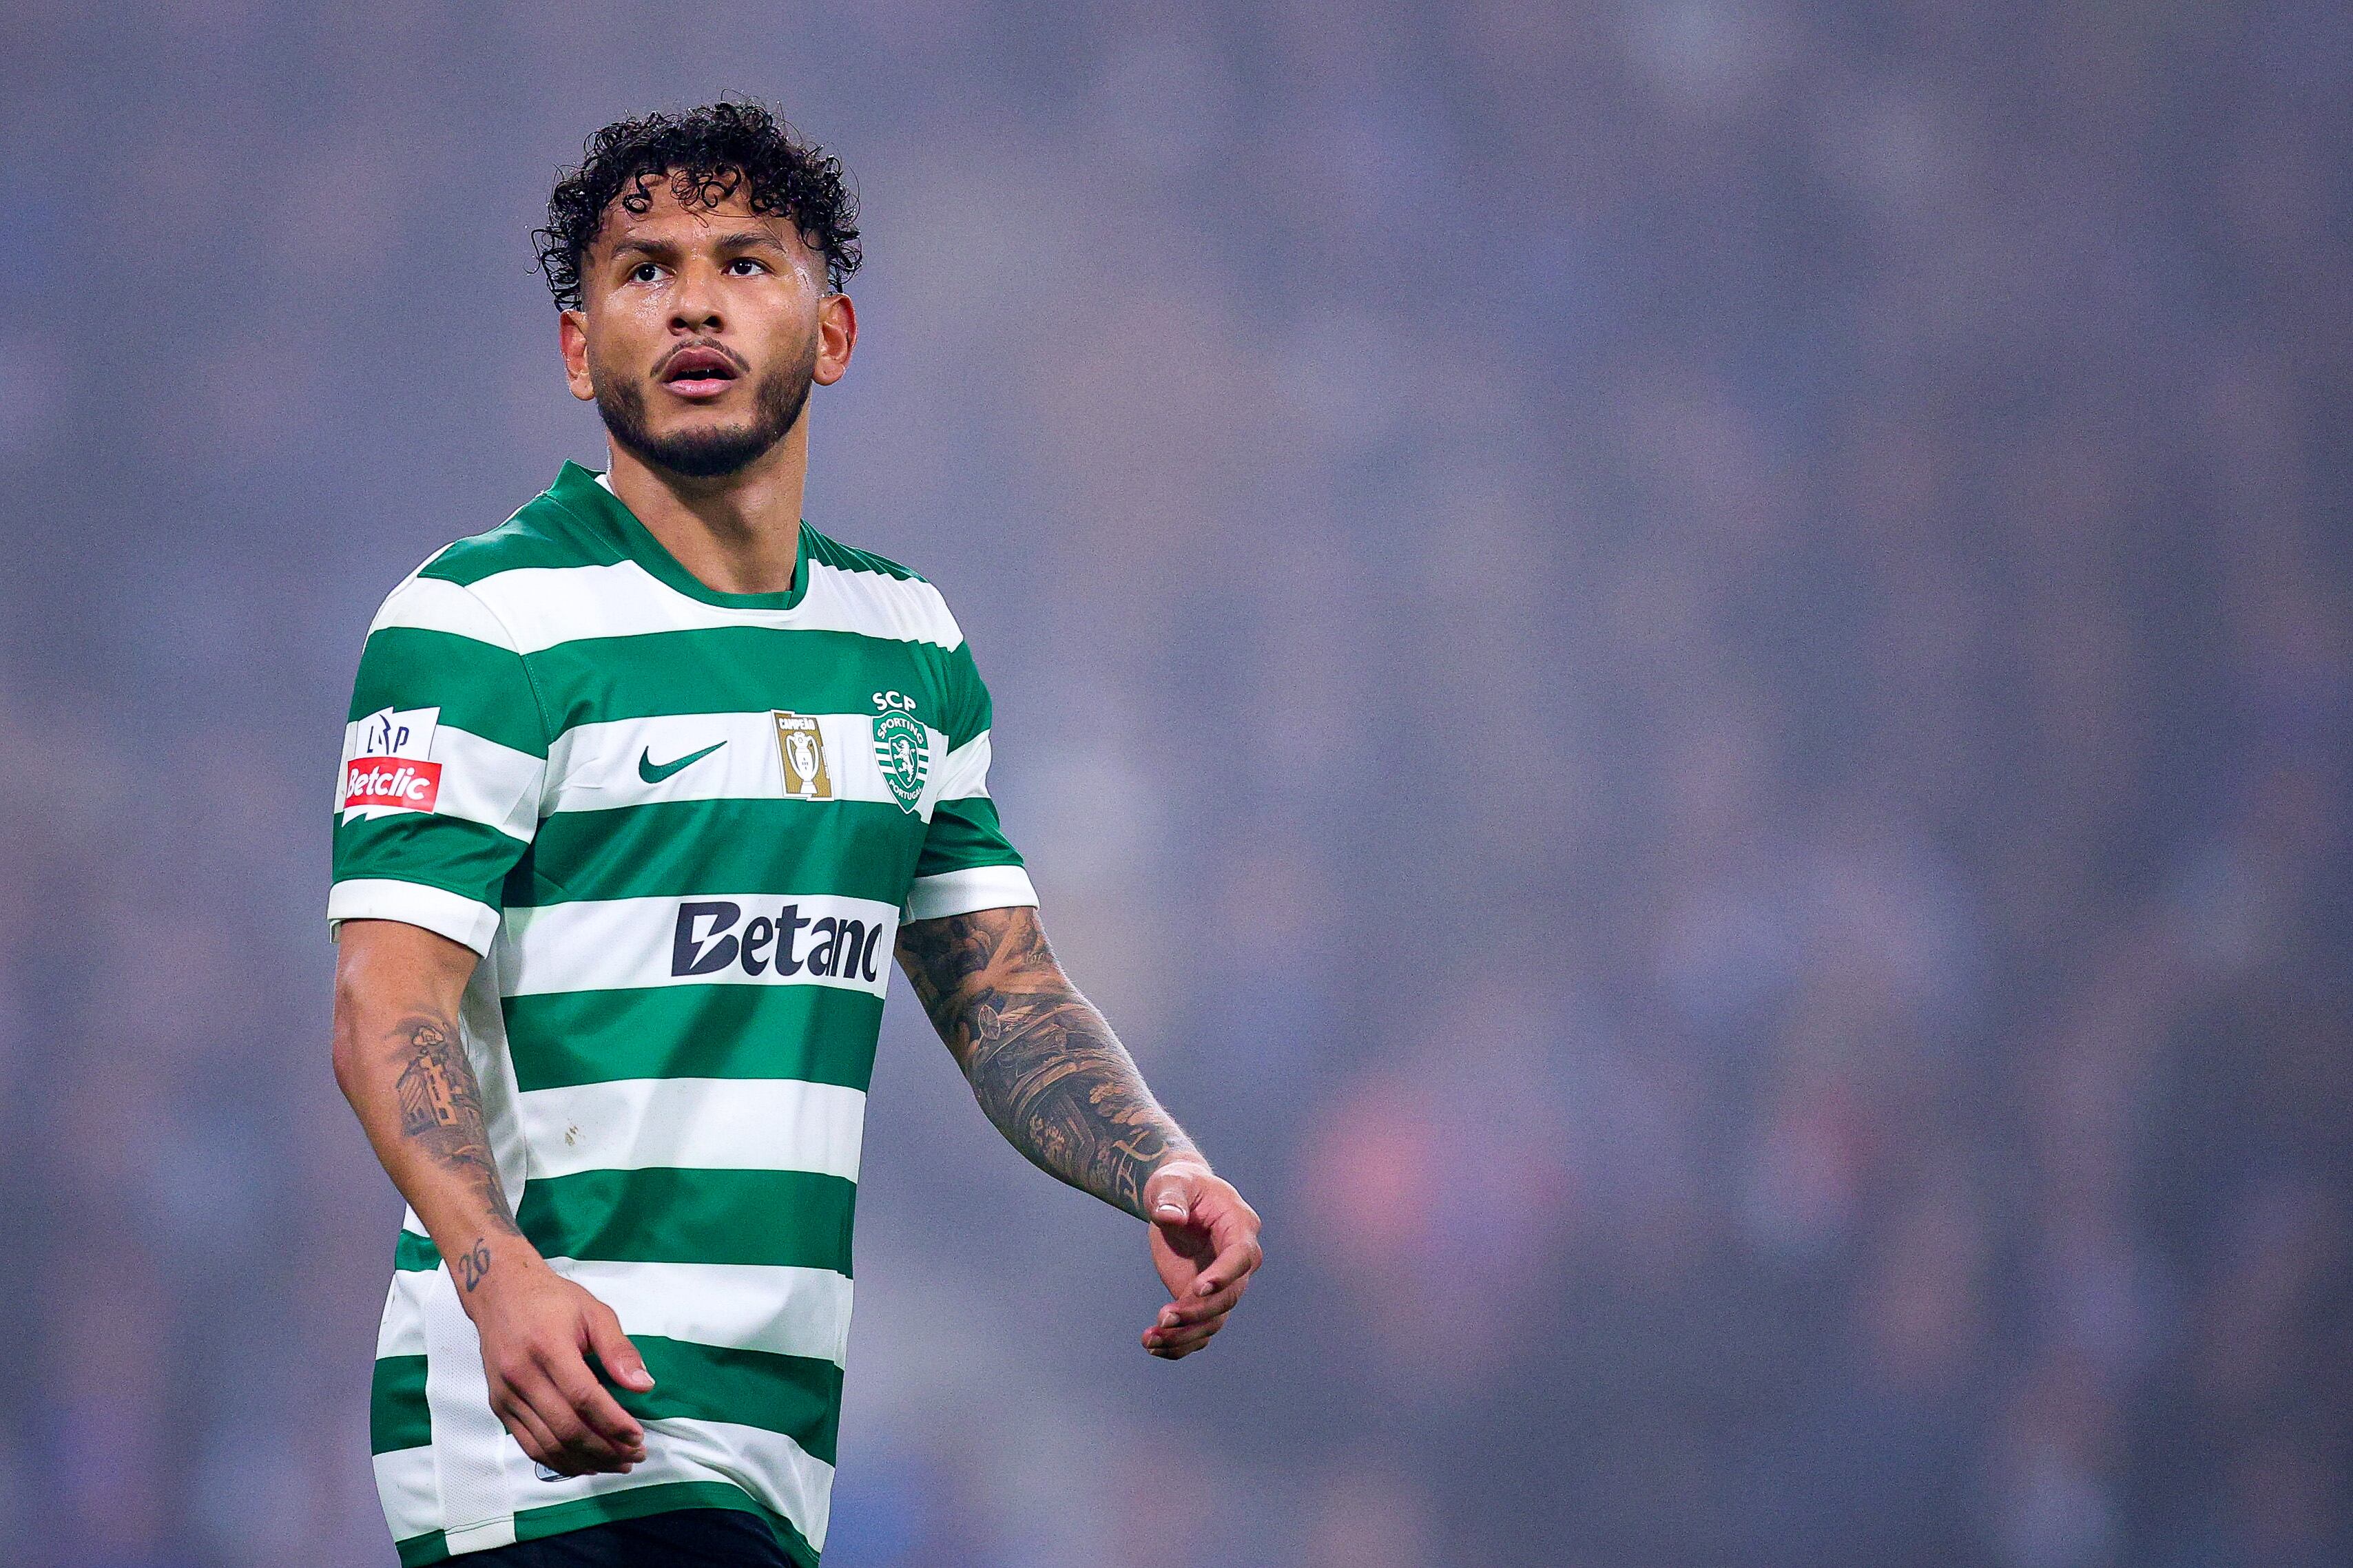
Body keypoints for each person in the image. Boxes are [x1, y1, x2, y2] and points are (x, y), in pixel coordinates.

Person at [328, 102, 1263, 1568]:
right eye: (641, 270)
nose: (693, 297)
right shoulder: (480, 622)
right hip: (545, 1423)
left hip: (775, 1446)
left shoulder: (908, 641)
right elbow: (386, 1000)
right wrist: (495, 1268)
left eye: (744, 260)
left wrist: (1157, 1160)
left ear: (830, 332)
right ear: (579, 352)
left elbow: (998, 987)